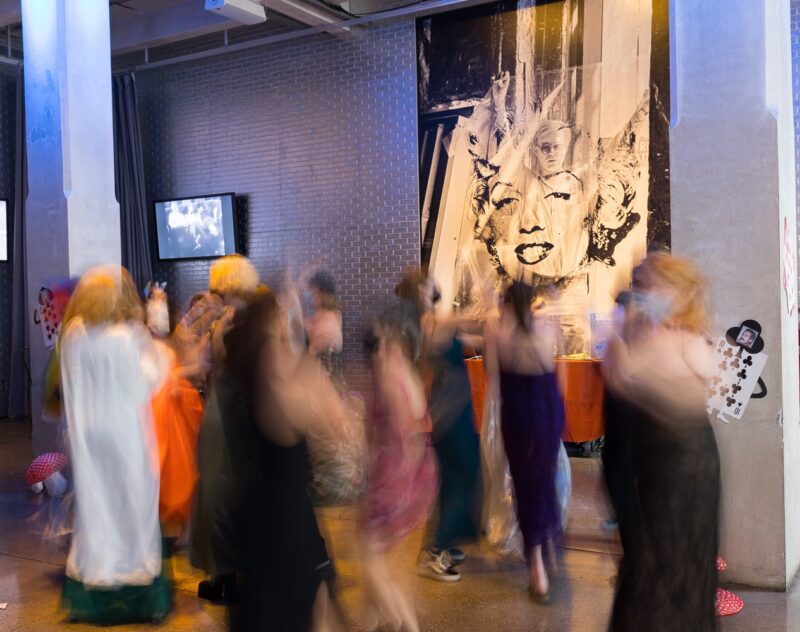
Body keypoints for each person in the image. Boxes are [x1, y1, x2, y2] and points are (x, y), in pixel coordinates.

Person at [603, 252, 720, 632]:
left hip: (686, 464)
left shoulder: (688, 339)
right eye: (643, 284)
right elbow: (621, 383)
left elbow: (703, 387)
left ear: (678, 292)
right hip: (653, 464)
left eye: (652, 284)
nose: (645, 291)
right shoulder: (643, 336)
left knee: (676, 559)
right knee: (651, 559)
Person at [221, 290, 342, 631]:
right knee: (294, 601)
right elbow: (299, 425)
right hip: (280, 514)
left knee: (288, 599)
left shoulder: (241, 361)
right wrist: (312, 365)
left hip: (263, 505)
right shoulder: (270, 359)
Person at [59, 266, 171, 624]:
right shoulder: (131, 336)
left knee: (96, 510)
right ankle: (140, 592)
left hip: (88, 433)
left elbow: (69, 385)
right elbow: (150, 382)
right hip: (126, 432)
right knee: (133, 507)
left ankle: (92, 588)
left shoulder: (74, 334)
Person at [395, 269, 481, 582]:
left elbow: (472, 336)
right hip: (447, 415)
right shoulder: (425, 323)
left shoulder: (435, 322)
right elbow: (467, 321)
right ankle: (435, 551)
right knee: (462, 474)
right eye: (425, 286)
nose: (432, 288)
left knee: (459, 476)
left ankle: (449, 538)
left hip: (457, 409)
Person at [484, 281, 565, 602]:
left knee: (524, 483)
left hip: (517, 414)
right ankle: (548, 545)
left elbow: (492, 374)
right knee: (544, 478)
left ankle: (537, 569)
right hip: (547, 412)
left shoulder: (496, 334)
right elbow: (559, 372)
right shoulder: (546, 330)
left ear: (505, 304)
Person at [360, 302, 438, 631]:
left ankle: (393, 620)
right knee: (388, 568)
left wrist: (397, 476)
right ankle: (398, 623)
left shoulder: (392, 376)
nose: (375, 344)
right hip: (411, 477)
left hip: (394, 478)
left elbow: (406, 431)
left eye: (380, 337)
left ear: (394, 339)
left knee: (370, 556)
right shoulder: (405, 370)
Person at [190, 254, 260, 602]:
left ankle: (224, 572)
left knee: (219, 492)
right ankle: (241, 569)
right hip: (246, 411)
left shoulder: (226, 320)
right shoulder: (255, 317)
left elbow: (204, 364)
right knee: (240, 489)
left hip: (224, 410)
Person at [305, 270, 344, 385]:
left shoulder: (328, 318)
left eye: (312, 293)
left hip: (325, 384)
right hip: (328, 382)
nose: (311, 297)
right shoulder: (332, 314)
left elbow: (313, 349)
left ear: (321, 293)